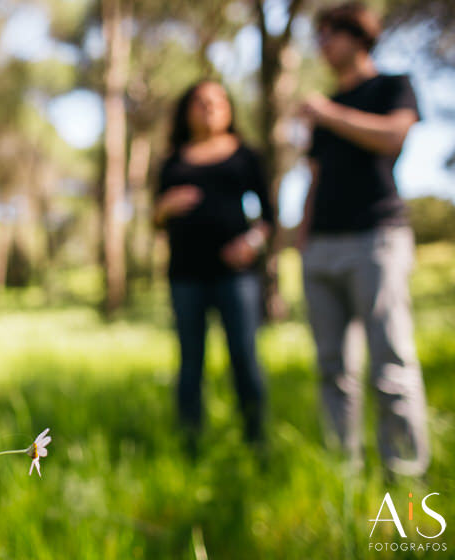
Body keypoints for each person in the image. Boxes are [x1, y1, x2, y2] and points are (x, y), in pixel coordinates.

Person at [298, 2, 429, 477]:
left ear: (359, 37)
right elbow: (314, 178)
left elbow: (394, 138)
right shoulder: (324, 109)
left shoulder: (392, 86)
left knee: (390, 363)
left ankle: (407, 478)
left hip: (377, 239)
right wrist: (303, 236)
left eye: (330, 34)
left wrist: (330, 114)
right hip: (322, 249)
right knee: (332, 367)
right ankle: (344, 473)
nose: (323, 45)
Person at [155, 80, 275, 451]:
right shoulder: (173, 161)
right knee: (190, 362)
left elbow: (268, 217)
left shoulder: (245, 155)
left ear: (229, 109)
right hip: (185, 275)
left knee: (244, 356)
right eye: (199, 102)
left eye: (217, 101)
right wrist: (166, 207)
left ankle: (257, 442)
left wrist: (251, 244)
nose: (208, 107)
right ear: (186, 111)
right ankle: (190, 444)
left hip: (234, 276)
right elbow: (154, 218)